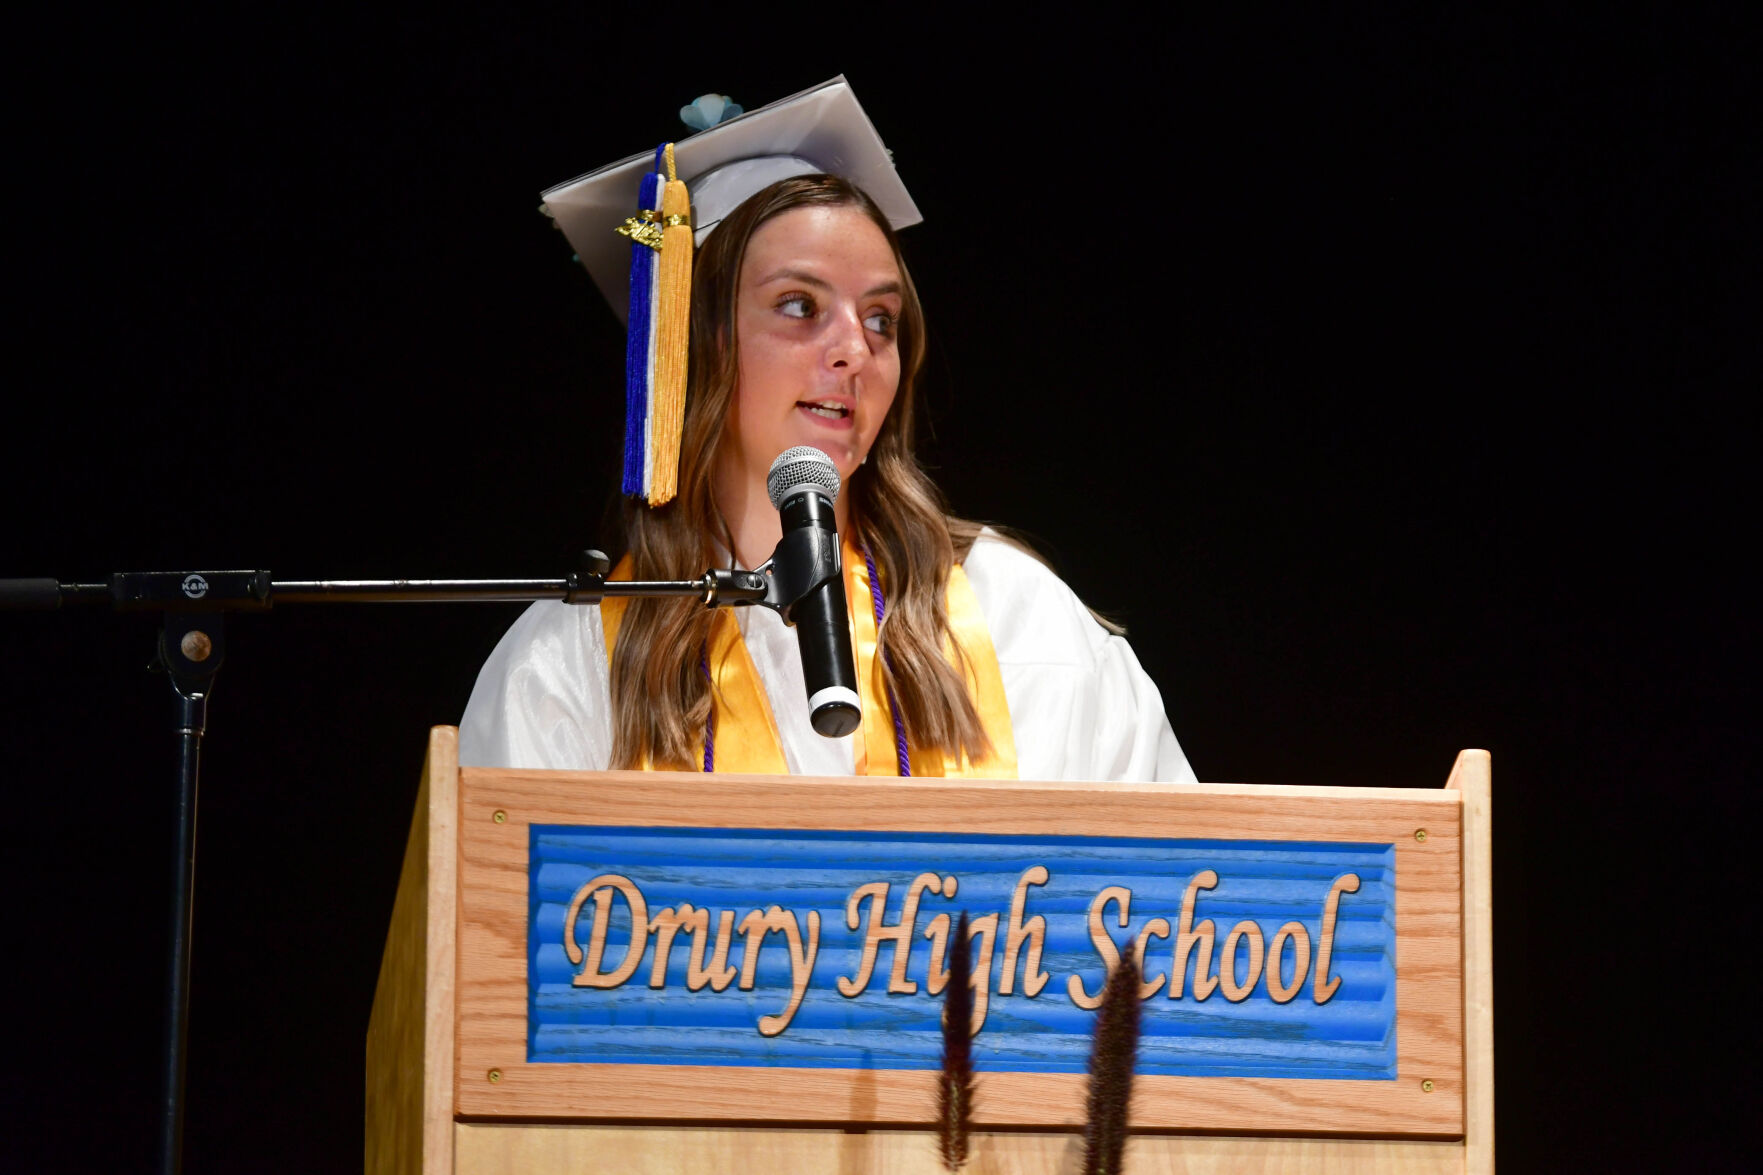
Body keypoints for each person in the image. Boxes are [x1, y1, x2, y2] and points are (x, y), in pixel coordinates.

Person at [460, 80, 1195, 785]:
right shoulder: (571, 660)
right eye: (799, 305)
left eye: (880, 318)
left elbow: (1176, 883)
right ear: (690, 344)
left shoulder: (1016, 616)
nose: (854, 348)